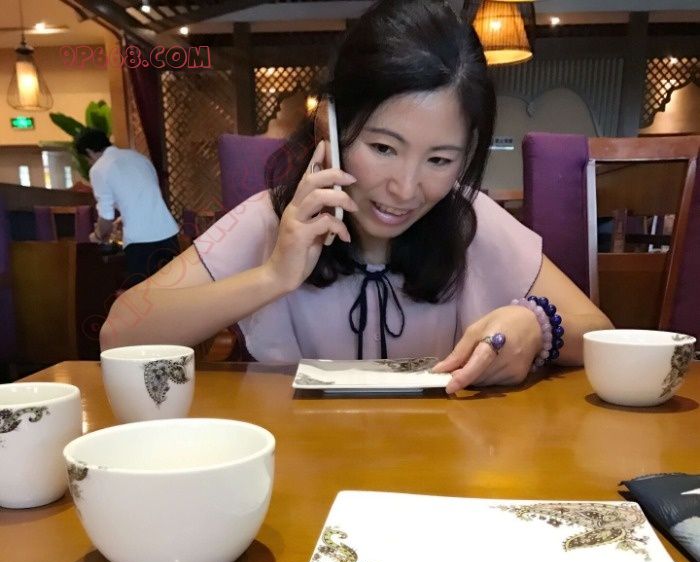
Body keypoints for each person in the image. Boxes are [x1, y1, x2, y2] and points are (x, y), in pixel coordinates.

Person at [100, 0, 612, 392]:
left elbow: (599, 333)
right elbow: (119, 334)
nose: (405, 189)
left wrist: (534, 325)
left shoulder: (469, 219)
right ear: (331, 125)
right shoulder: (271, 219)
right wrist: (273, 275)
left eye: (439, 159)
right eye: (383, 148)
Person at [75, 129, 180, 286]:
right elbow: (146, 196)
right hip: (169, 235)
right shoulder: (138, 158)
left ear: (89, 151)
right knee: (173, 289)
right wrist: (122, 218)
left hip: (141, 243)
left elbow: (106, 219)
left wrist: (97, 236)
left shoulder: (99, 169)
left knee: (144, 295)